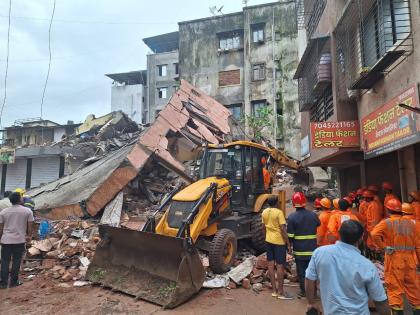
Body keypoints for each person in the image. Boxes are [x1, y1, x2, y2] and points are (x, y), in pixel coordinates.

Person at [305, 220, 389, 315]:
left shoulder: (320, 253)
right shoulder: (367, 265)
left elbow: (309, 279)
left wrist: (311, 303)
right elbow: (380, 301)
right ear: (361, 238)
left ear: (339, 234)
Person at [371, 199, 420, 315]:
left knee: (395, 291)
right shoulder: (412, 224)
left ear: (388, 210)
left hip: (394, 259)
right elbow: (418, 244)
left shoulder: (387, 222)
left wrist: (383, 247)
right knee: (414, 291)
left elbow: (374, 234)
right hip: (411, 260)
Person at [287, 192, 320, 298]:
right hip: (312, 249)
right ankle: (314, 292)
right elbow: (318, 224)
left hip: (299, 250)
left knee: (301, 272)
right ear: (304, 203)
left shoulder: (292, 217)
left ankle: (304, 291)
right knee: (312, 272)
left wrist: (289, 246)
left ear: (294, 204)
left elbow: (290, 235)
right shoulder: (313, 215)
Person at [0, 192, 34, 288]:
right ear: (19, 200)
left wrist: (0, 238)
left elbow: (1, 228)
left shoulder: (3, 212)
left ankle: (3, 283)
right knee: (16, 260)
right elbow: (30, 225)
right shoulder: (27, 211)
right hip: (19, 240)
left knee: (5, 261)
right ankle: (14, 282)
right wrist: (29, 236)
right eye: (21, 197)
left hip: (6, 240)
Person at [261, 196, 292, 300]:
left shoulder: (264, 212)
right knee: (279, 266)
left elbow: (263, 227)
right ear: (276, 203)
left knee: (270, 266)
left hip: (268, 241)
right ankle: (281, 291)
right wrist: (288, 243)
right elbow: (283, 229)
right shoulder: (279, 213)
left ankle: (274, 291)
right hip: (279, 242)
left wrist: (265, 237)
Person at [363, 189, 383, 259]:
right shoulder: (372, 204)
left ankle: (378, 259)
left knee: (375, 246)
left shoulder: (374, 205)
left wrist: (372, 230)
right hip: (371, 229)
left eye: (365, 197)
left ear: (369, 197)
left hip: (373, 230)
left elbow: (375, 220)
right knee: (371, 245)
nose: (364, 199)